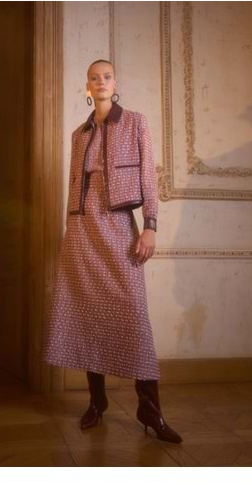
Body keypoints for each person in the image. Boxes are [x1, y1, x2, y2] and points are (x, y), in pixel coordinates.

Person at [43, 59, 182, 444]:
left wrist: (150, 225)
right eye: (94, 78)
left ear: (115, 83)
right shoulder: (79, 134)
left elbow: (148, 177)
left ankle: (149, 409)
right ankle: (97, 401)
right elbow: (75, 186)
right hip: (81, 231)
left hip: (118, 225)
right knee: (88, 313)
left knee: (134, 315)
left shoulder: (135, 122)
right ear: (87, 86)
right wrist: (69, 230)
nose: (101, 82)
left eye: (106, 77)